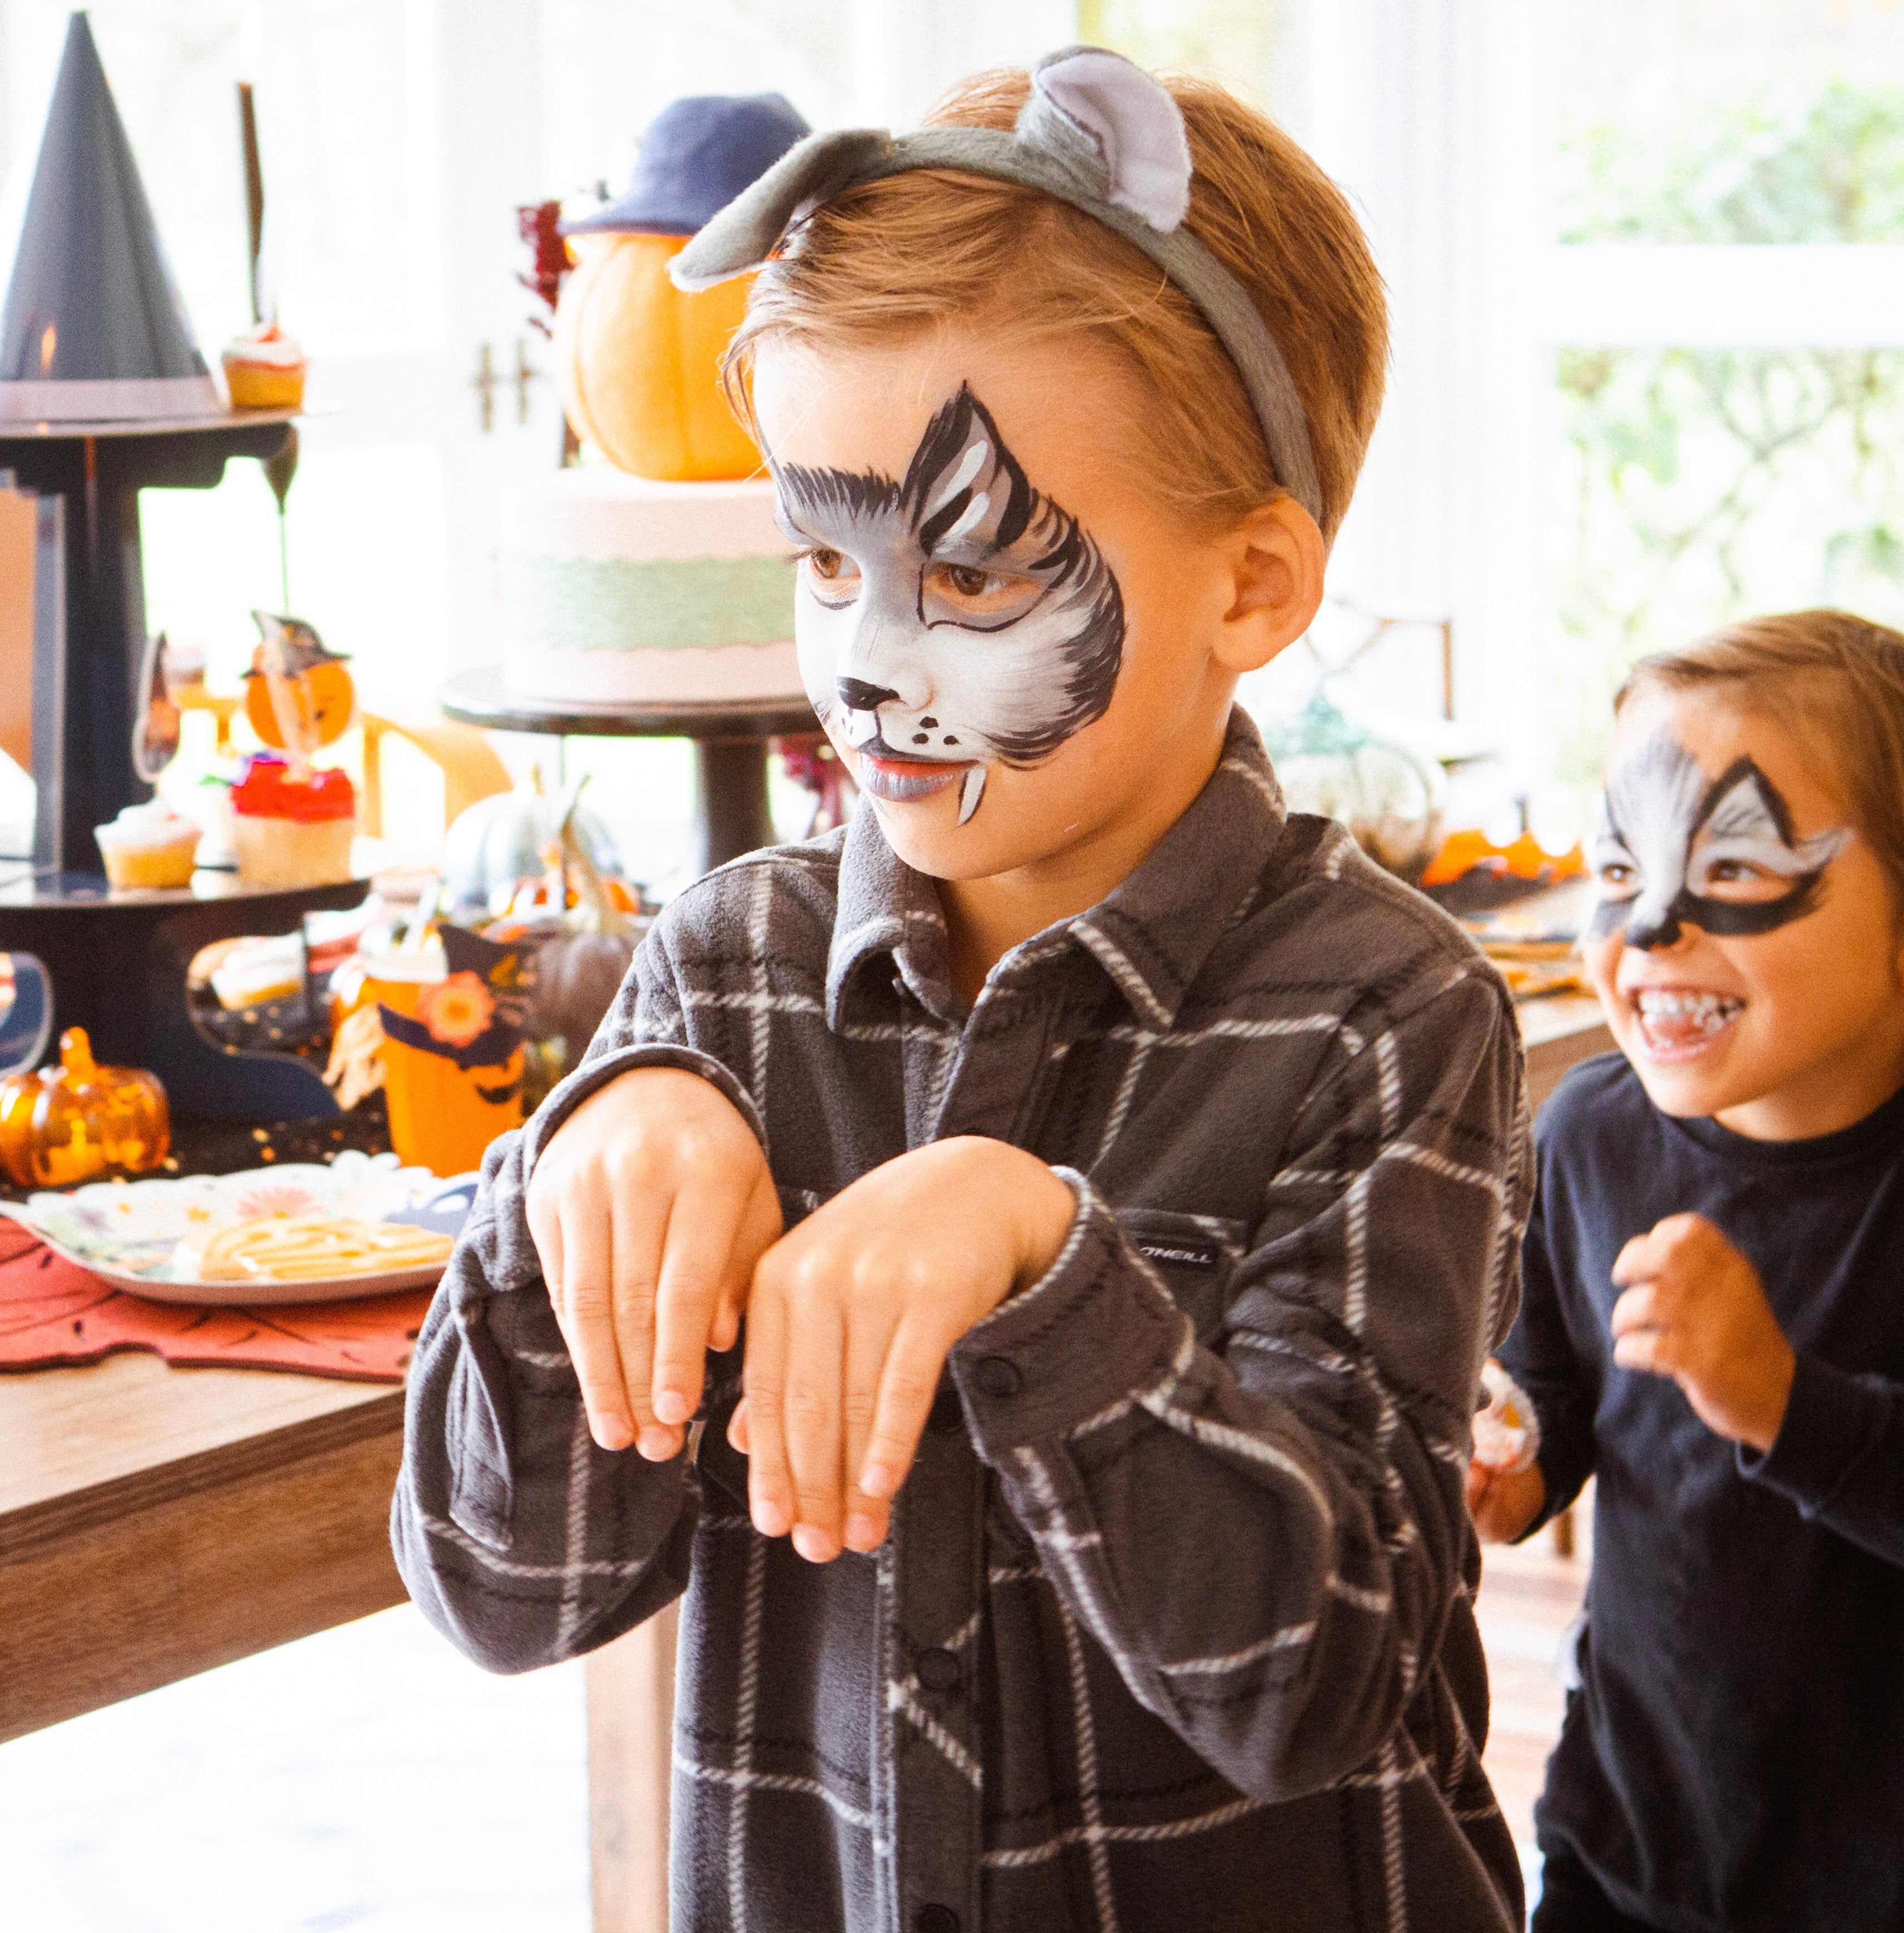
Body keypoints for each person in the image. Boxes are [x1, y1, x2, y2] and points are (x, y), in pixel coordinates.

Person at [395, 45, 1530, 1933]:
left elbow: (1316, 1674)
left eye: (972, 572)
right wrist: (564, 1185)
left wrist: (1045, 1262)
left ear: (1249, 586)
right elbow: (507, 1591)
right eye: (822, 559)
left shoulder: (1383, 1010)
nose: (865, 662)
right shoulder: (723, 985)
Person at [1473, 612, 1904, 1933]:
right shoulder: (1590, 1133)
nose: (1649, 929)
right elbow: (1554, 1376)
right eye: (1619, 865)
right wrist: (1516, 1460)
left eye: (1734, 866)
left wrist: (1778, 1397)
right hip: (1629, 1835)